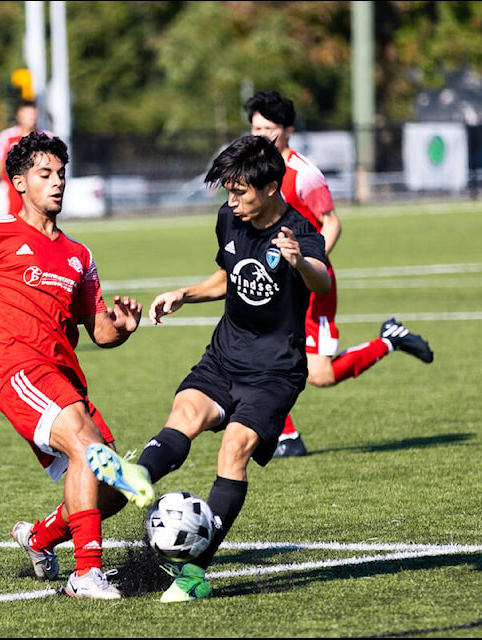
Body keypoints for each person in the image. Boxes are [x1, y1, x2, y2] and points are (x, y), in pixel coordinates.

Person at [86, 134, 331, 602]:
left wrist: (300, 263)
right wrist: (184, 294)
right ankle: (138, 476)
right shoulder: (228, 219)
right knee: (184, 416)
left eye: (240, 192)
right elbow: (228, 274)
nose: (231, 200)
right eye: (228, 191)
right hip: (224, 356)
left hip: (274, 371)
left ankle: (193, 573)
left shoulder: (300, 230)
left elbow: (320, 277)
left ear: (272, 187)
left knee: (233, 451)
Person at [0, 131, 153, 599]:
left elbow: (100, 332)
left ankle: (40, 536)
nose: (57, 183)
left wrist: (123, 326)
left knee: (111, 490)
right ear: (19, 183)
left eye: (62, 175)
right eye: (45, 174)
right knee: (89, 452)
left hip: (64, 379)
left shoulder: (79, 256)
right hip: (15, 371)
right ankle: (87, 573)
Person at [244, 90, 434, 457]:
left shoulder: (303, 174)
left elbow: (331, 225)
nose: (262, 135)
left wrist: (306, 262)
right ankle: (285, 437)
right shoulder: (253, 169)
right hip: (271, 281)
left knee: (321, 375)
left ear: (288, 130)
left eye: (269, 128)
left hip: (310, 283)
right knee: (257, 347)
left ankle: (389, 340)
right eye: (256, 127)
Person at [0, 99, 51, 217]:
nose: (31, 117)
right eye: (27, 114)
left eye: (33, 113)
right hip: (11, 194)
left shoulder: (46, 137)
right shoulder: (7, 137)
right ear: (18, 116)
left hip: (37, 192)